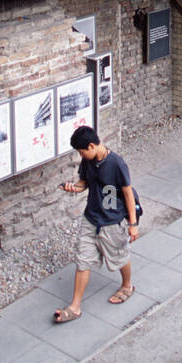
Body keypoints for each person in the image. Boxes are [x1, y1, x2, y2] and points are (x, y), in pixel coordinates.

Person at [54, 126, 138, 323]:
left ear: (91, 145)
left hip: (112, 221)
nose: (81, 155)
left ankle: (127, 285)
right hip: (91, 218)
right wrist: (74, 188)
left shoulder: (117, 164)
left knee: (119, 257)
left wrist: (132, 224)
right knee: (83, 260)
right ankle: (75, 307)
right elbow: (84, 182)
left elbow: (127, 193)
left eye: (82, 151)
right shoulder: (88, 160)